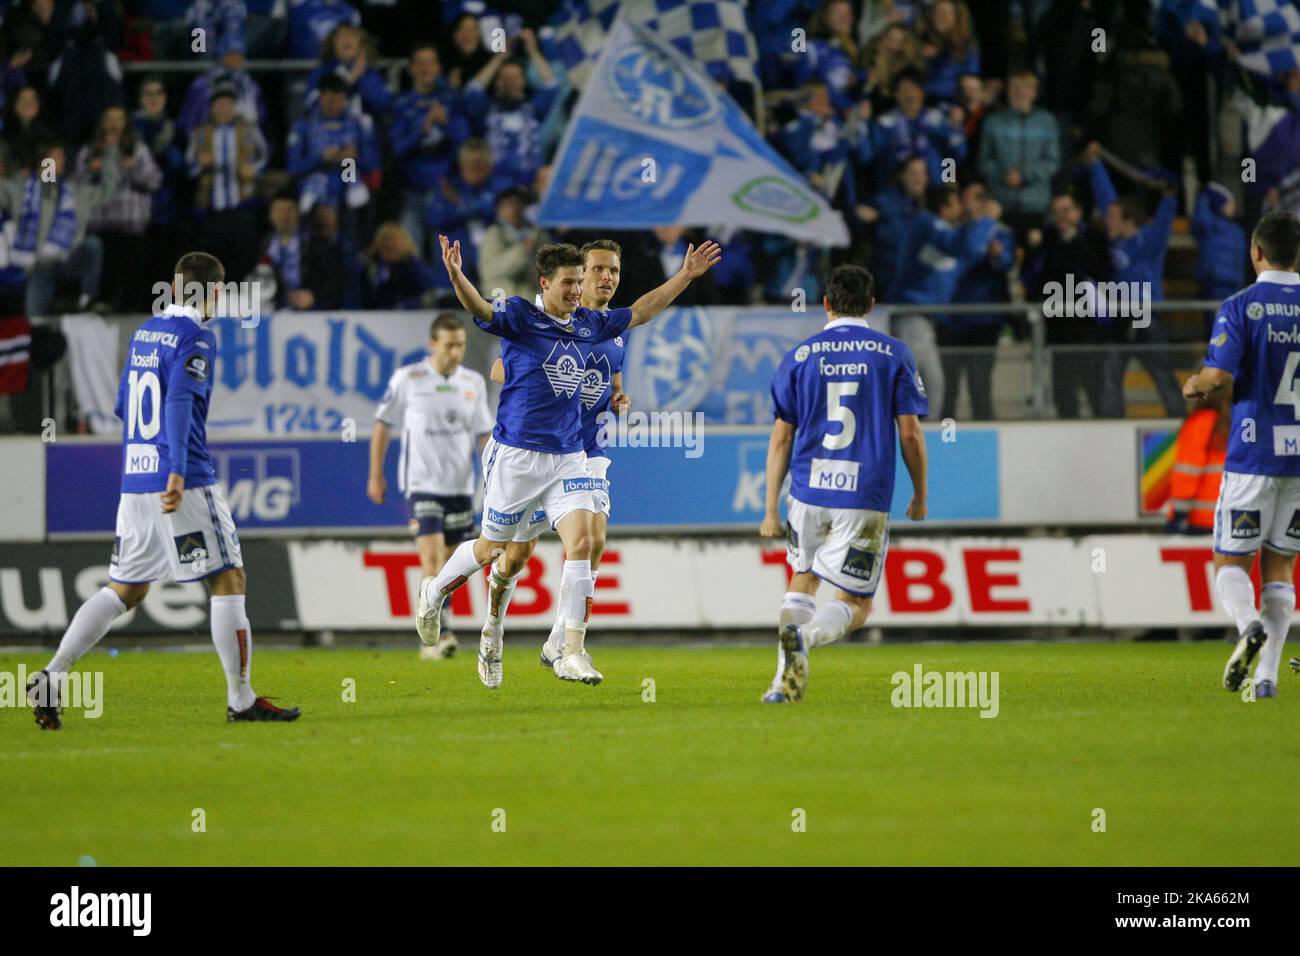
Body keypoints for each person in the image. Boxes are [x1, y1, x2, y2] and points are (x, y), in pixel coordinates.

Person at [424, 236, 720, 685]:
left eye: (580, 281)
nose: (577, 290)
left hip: (570, 456)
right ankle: (435, 591)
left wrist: (685, 275)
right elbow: (482, 309)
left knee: (584, 541)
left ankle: (571, 650)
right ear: (546, 283)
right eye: (570, 282)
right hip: (517, 457)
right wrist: (456, 275)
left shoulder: (587, 323)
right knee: (492, 551)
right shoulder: (522, 316)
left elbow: (640, 312)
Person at [27, 252, 301, 729]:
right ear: (213, 293)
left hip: (134, 479)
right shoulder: (197, 337)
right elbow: (178, 398)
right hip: (184, 478)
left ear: (175, 290)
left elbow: (120, 405)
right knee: (228, 578)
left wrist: (148, 456)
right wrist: (175, 467)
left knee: (126, 588)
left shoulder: (144, 335)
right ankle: (241, 700)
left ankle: (52, 676)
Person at [759, 264, 929, 703]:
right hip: (863, 495)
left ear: (827, 304)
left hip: (808, 492)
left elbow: (781, 436)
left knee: (803, 577)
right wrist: (920, 493)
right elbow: (909, 433)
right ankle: (809, 638)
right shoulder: (893, 354)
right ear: (872, 305)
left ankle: (783, 683)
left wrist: (770, 510)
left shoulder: (799, 356)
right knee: (857, 604)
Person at [478, 239, 631, 689]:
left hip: (586, 449)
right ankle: (492, 628)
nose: (605, 278)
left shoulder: (614, 329)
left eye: (613, 271)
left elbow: (611, 377)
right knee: (513, 556)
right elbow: (501, 371)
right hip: (537, 448)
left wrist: (619, 394)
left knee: (592, 539)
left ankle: (564, 643)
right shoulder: (550, 320)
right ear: (579, 276)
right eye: (597, 269)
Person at [1181, 211, 1300, 699]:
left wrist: (1194, 383)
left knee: (1230, 562)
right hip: (1299, 459)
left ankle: (1247, 623)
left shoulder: (1242, 306)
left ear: (1255, 252)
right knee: (1281, 568)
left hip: (1253, 454)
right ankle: (1267, 678)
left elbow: (1219, 377)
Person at [369, 312, 492, 661]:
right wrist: (375, 475)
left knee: (453, 564)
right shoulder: (408, 378)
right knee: (432, 556)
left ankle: (437, 630)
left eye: (461, 345)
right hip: (421, 484)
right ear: (432, 344)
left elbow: (484, 434)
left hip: (460, 487)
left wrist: (493, 476)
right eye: (450, 345)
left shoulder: (472, 383)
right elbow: (382, 425)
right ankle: (439, 636)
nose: (456, 352)